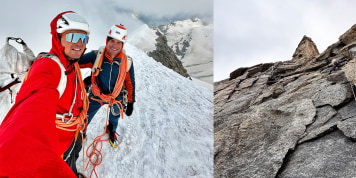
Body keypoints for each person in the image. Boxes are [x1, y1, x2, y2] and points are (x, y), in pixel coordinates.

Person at [0, 11, 89, 178]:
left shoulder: (71, 63)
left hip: (73, 134)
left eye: (83, 39)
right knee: (68, 161)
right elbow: (27, 125)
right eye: (72, 36)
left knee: (74, 154)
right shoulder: (49, 68)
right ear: (58, 37)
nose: (79, 43)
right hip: (58, 146)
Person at [79, 24, 135, 148]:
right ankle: (81, 133)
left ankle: (111, 129)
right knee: (84, 116)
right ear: (107, 40)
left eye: (118, 43)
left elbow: (130, 83)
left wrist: (131, 102)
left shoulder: (127, 62)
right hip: (96, 95)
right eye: (112, 41)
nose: (114, 46)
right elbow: (75, 61)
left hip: (116, 97)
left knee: (114, 116)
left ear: (122, 45)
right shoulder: (96, 56)